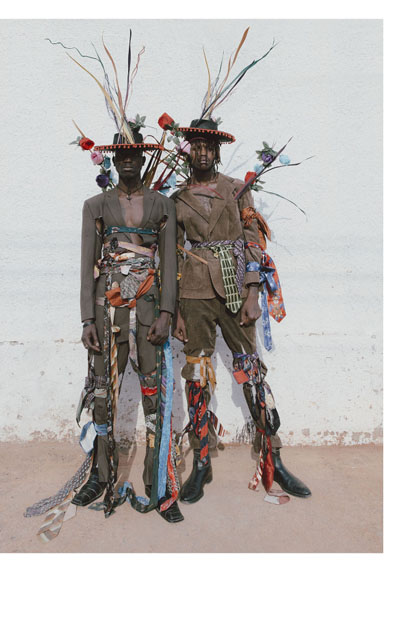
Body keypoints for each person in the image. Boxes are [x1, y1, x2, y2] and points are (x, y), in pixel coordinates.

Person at [171, 116, 311, 504]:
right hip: (194, 294)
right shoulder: (177, 199)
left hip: (235, 292)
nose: (202, 152)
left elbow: (252, 241)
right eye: (196, 146)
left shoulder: (237, 190)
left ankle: (273, 458)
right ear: (189, 152)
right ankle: (201, 461)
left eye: (208, 146)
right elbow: (174, 254)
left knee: (250, 371)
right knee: (196, 374)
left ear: (217, 152)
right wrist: (176, 310)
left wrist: (252, 292)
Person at [75, 125, 184, 523]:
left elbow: (169, 262)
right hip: (108, 312)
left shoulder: (162, 205)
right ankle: (100, 476)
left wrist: (168, 313)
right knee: (103, 394)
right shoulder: (96, 205)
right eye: (120, 154)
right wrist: (87, 317)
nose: (126, 160)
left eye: (133, 154)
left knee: (155, 399)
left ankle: (159, 484)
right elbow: (87, 264)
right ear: (114, 159)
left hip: (151, 310)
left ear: (141, 158)